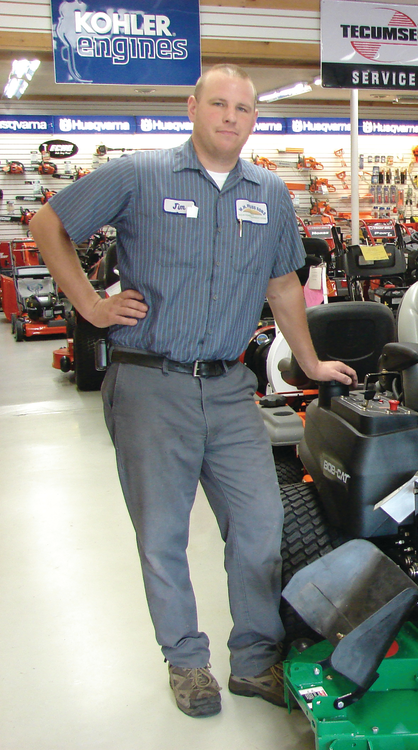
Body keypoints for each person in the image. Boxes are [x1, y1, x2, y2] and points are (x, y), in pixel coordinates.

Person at [29, 64, 357, 718]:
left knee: (261, 525)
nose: (231, 116)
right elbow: (47, 225)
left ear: (253, 118)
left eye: (244, 107)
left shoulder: (268, 190)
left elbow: (283, 286)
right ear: (193, 107)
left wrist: (313, 363)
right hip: (150, 384)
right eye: (219, 104)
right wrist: (90, 304)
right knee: (163, 535)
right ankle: (187, 662)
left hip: (230, 387)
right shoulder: (140, 174)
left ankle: (254, 660)